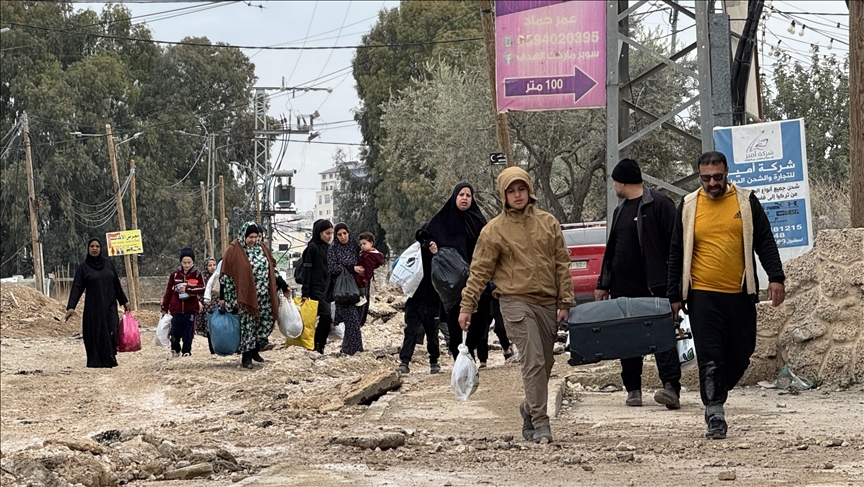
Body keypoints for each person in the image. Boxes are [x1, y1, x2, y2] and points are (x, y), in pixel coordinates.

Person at [667, 151, 786, 440]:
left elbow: (764, 240)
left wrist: (776, 277)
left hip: (739, 293)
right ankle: (715, 412)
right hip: (702, 296)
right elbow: (676, 252)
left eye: (717, 177)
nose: (712, 183)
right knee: (710, 356)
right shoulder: (688, 205)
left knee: (742, 352)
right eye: (706, 178)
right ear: (699, 177)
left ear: (727, 173)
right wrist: (674, 295)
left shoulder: (745, 201)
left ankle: (716, 390)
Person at [458, 167, 574, 444]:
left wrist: (566, 301)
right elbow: (479, 271)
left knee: (545, 364)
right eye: (511, 191)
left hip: (546, 302)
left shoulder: (548, 223)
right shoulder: (494, 231)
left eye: (521, 189)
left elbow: (562, 264)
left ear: (529, 190)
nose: (517, 195)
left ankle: (527, 407)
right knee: (533, 360)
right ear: (503, 195)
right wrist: (467, 305)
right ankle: (541, 421)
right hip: (514, 302)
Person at [594, 158, 682, 409]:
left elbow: (676, 249)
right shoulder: (620, 210)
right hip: (623, 290)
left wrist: (673, 288)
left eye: (614, 182)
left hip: (654, 288)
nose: (614, 187)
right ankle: (633, 389)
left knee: (662, 338)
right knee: (627, 339)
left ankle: (670, 389)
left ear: (622, 182)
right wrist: (604, 283)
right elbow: (613, 250)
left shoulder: (660, 205)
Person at [424, 182, 491, 362]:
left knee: (479, 320)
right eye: (461, 195)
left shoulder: (477, 220)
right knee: (455, 322)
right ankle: (461, 359)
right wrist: (430, 244)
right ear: (455, 197)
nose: (464, 198)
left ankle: (472, 353)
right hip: (453, 285)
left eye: (468, 195)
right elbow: (424, 233)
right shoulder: (444, 220)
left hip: (477, 281)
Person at [220, 222, 281, 369]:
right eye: (250, 237)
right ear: (243, 235)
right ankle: (246, 357)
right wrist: (224, 298)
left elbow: (272, 269)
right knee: (248, 326)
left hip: (264, 296)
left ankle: (256, 350)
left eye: (256, 236)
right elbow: (226, 276)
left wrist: (283, 285)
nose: (253, 240)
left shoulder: (262, 248)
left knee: (265, 322)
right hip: (245, 297)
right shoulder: (234, 250)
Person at [65, 238, 131, 368]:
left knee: (112, 330)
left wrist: (124, 301)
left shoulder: (109, 264)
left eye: (97, 246)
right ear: (88, 249)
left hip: (110, 306)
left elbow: (116, 284)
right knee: (96, 333)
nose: (94, 248)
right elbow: (77, 288)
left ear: (101, 249)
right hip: (93, 308)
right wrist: (71, 307)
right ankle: (96, 360)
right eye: (92, 246)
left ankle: (109, 358)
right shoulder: (84, 268)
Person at [396, 223, 442, 375]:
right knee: (411, 331)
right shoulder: (414, 251)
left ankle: (434, 361)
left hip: (432, 298)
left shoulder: (440, 251)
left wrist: (437, 254)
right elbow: (399, 264)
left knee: (432, 333)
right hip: (414, 297)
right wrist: (399, 283)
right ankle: (404, 361)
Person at [161, 247, 205, 357]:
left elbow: (202, 288)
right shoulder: (175, 274)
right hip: (176, 308)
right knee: (175, 331)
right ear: (181, 262)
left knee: (188, 332)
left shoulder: (197, 274)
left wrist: (188, 289)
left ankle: (186, 351)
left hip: (190, 308)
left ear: (193, 262)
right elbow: (168, 292)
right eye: (184, 262)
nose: (186, 265)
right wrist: (164, 308)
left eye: (189, 262)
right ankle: (175, 349)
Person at [328, 223, 365, 355]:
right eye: (339, 234)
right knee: (352, 322)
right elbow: (333, 268)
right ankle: (356, 350)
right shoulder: (333, 249)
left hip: (358, 289)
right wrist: (351, 268)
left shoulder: (354, 246)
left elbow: (363, 260)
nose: (343, 237)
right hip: (344, 292)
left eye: (345, 233)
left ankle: (347, 349)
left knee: (357, 321)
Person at [301, 219, 334, 354]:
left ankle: (320, 345)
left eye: (331, 233)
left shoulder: (329, 248)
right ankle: (316, 344)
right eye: (327, 233)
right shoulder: (312, 248)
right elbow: (307, 271)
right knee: (325, 316)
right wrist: (305, 292)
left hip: (326, 289)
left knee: (327, 318)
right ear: (319, 233)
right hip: (315, 289)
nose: (330, 236)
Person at [355, 231, 385, 326]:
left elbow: (369, 269)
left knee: (362, 299)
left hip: (363, 280)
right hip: (363, 280)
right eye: (361, 244)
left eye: (364, 244)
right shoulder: (369, 254)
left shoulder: (368, 256)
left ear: (371, 243)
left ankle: (359, 321)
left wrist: (365, 280)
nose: (362, 246)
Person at [197, 257, 219, 356]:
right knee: (209, 329)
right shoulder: (202, 277)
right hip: (206, 306)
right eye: (209, 265)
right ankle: (212, 350)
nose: (212, 267)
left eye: (214, 265)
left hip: (217, 305)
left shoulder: (218, 276)